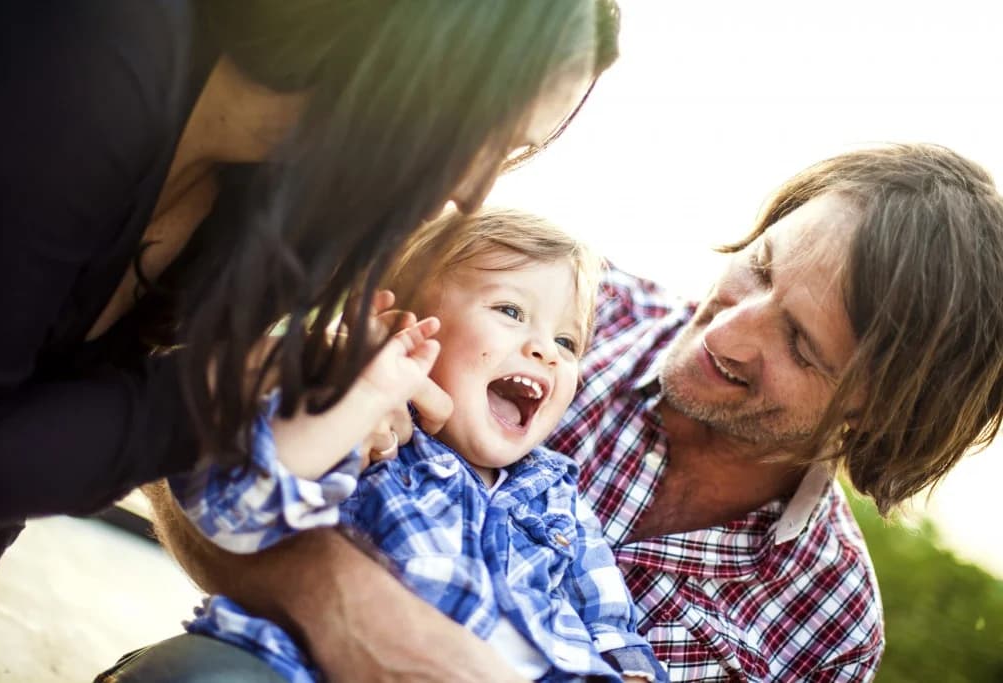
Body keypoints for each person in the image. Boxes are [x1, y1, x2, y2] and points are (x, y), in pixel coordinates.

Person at [120, 143, 1003, 682]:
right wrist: (350, 605)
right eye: (760, 266)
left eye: (802, 346)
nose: (728, 332)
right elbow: (183, 426)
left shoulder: (829, 627)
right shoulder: (536, 305)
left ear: (878, 423)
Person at [0, 0, 620, 603]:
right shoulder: (86, 55)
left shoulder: (276, 215)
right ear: (417, 62)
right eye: (490, 134)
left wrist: (289, 374)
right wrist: (234, 384)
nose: (477, 192)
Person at [169, 208, 670, 682]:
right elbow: (236, 508)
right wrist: (363, 395)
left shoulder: (559, 497)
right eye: (510, 310)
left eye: (568, 342)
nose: (545, 350)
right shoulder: (373, 435)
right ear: (401, 328)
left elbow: (611, 627)